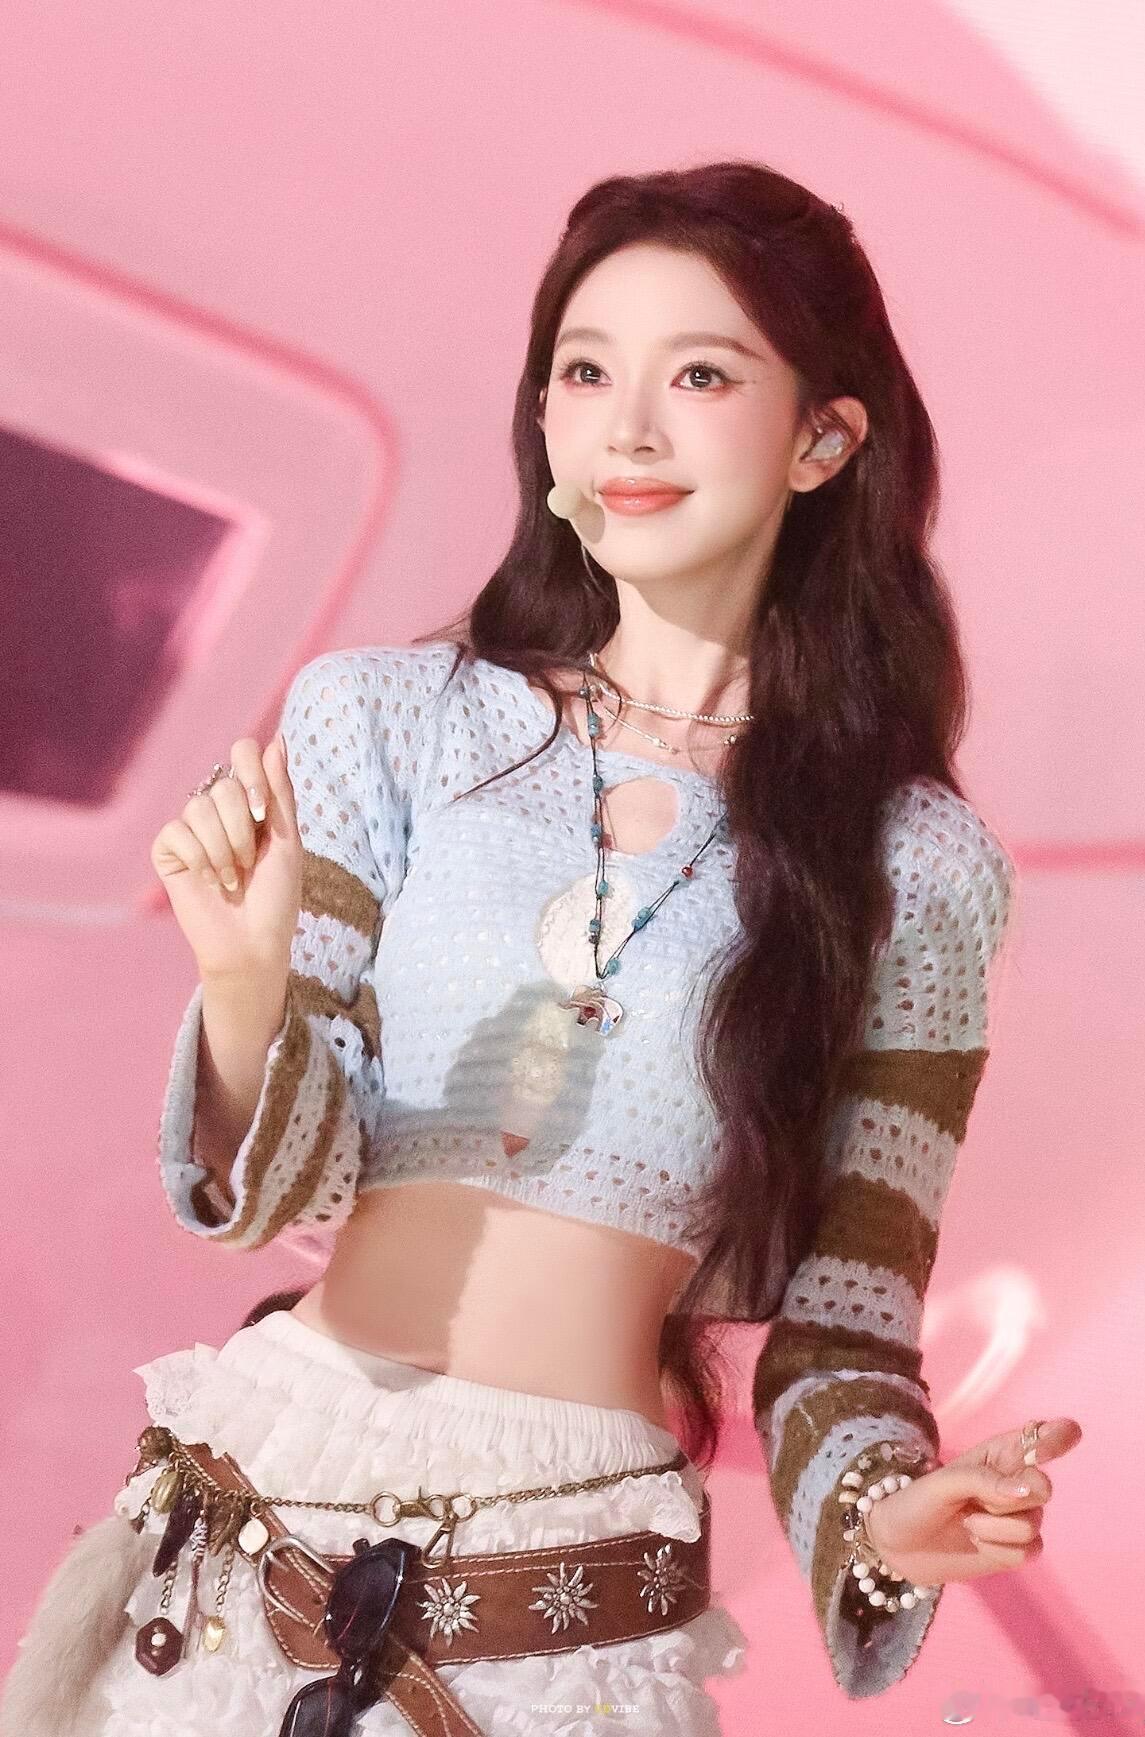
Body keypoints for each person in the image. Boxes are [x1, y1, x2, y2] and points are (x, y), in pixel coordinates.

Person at [2, 159, 1082, 1737]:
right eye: (583, 371)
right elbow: (293, 1189)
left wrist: (882, 1516)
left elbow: (849, 1314)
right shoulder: (388, 719)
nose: (624, 429)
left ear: (823, 439)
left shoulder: (911, 866)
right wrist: (242, 987)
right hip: (256, 1517)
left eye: (698, 375)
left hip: (565, 1591)